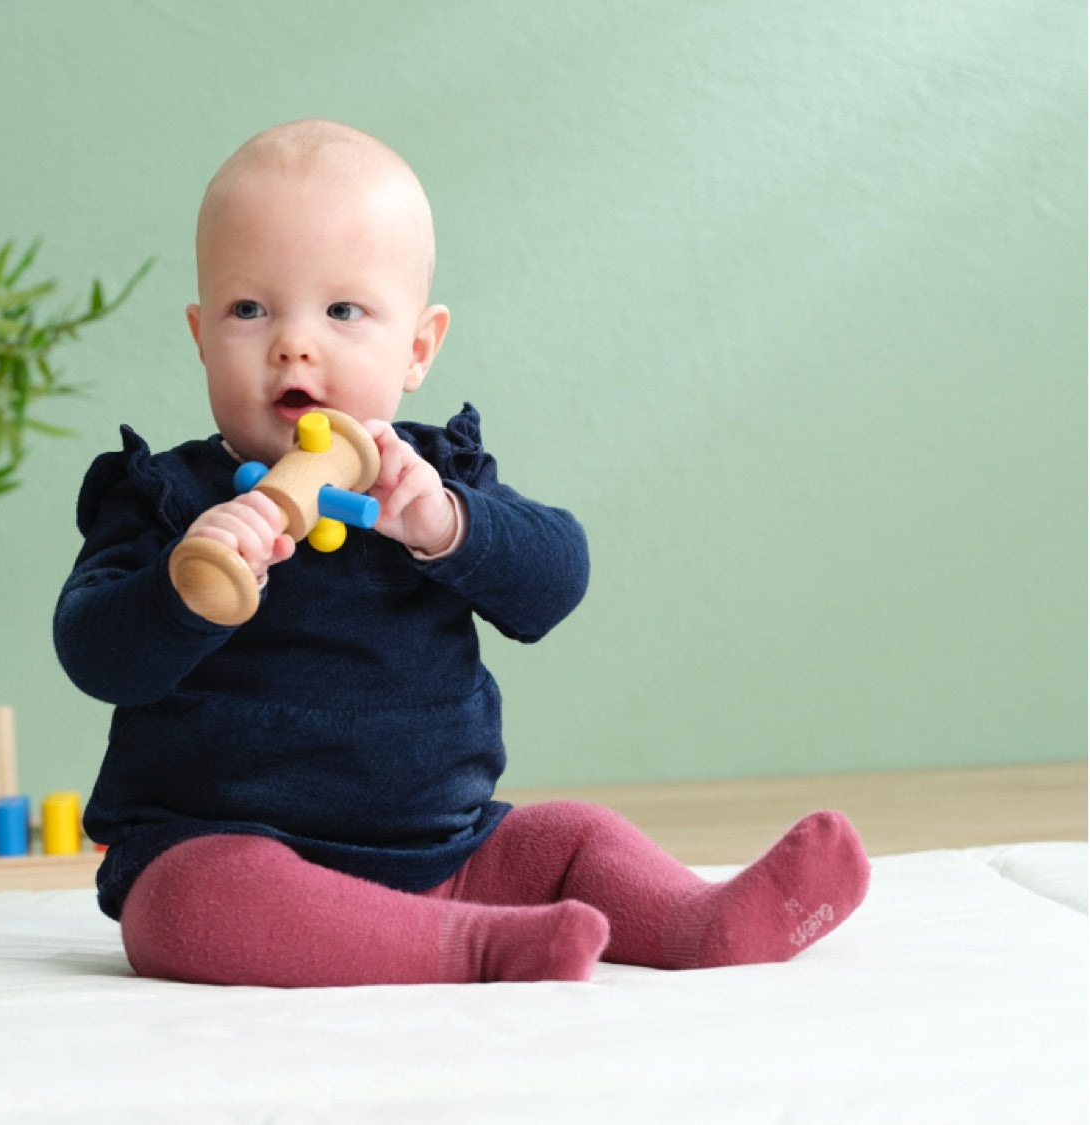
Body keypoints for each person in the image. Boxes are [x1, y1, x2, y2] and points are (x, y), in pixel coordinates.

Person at [54, 119, 870, 987]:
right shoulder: (169, 497)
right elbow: (94, 652)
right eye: (249, 309)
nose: (295, 342)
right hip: (231, 850)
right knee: (185, 907)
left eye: (342, 310)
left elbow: (557, 580)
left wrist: (448, 525)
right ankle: (478, 948)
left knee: (570, 837)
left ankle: (695, 921)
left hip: (447, 849)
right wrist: (183, 588)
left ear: (417, 348)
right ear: (200, 334)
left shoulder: (437, 480)